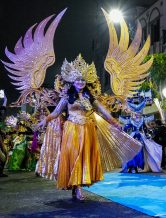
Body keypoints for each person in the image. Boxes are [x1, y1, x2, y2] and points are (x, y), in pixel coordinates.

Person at [37, 55, 141, 200]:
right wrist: (45, 120)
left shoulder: (90, 97)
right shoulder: (67, 97)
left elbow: (104, 112)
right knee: (74, 157)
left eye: (83, 80)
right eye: (78, 79)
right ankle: (76, 186)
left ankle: (78, 186)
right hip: (71, 129)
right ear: (73, 81)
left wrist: (115, 123)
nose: (80, 82)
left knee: (83, 158)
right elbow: (56, 112)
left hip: (87, 129)